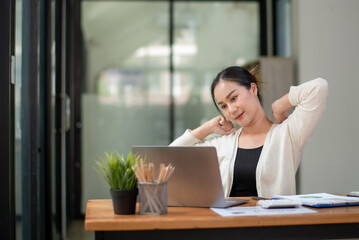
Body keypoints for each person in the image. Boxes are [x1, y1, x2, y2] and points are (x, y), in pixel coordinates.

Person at [170, 66, 328, 197]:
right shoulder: (222, 143)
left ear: (253, 89)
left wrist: (278, 106)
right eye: (223, 106)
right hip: (228, 230)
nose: (231, 110)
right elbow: (171, 158)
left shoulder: (288, 134)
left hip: (273, 230)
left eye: (233, 98)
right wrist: (207, 128)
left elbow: (318, 87)